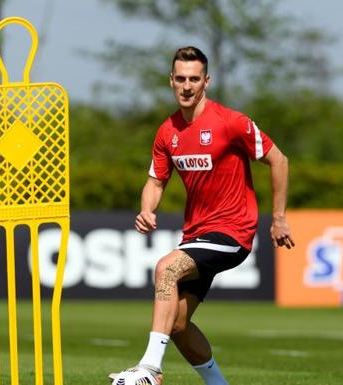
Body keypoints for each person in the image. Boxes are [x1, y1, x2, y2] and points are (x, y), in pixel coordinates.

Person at [111, 47, 295, 385]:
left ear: (206, 82)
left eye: (194, 79)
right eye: (180, 78)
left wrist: (279, 217)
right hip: (196, 234)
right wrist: (146, 210)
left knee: (166, 268)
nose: (186, 86)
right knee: (177, 324)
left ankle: (150, 369)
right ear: (171, 81)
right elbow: (156, 180)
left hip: (232, 232)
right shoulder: (167, 131)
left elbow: (278, 160)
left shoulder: (231, 122)